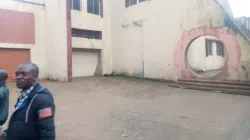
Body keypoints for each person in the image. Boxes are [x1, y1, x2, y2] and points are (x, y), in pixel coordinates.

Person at [0, 63, 56, 140]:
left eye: (24, 74)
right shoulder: (23, 95)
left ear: (35, 77)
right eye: (17, 74)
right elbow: (21, 123)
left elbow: (47, 133)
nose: (18, 77)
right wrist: (5, 134)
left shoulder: (42, 99)